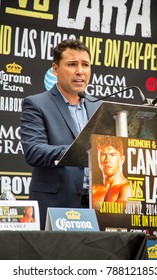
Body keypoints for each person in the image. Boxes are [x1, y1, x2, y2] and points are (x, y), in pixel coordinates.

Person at [20, 39, 101, 230]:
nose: (80, 71)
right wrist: (79, 151)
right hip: (56, 207)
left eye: (85, 65)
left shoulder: (98, 105)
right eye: (72, 64)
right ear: (55, 69)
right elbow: (34, 151)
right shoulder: (36, 104)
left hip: (96, 206)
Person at [92, 135, 132, 210]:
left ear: (122, 159)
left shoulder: (128, 189)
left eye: (112, 155)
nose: (107, 160)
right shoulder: (93, 188)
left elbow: (117, 220)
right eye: (103, 155)